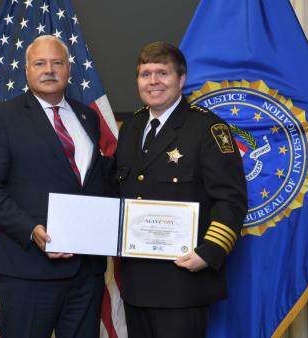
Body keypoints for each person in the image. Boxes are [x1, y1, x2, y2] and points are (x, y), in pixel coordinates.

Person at [0, 35, 107, 338]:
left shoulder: (87, 117)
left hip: (86, 274)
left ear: (69, 70)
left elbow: (93, 183)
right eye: (40, 63)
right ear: (27, 70)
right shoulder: (2, 118)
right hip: (28, 271)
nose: (49, 70)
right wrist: (32, 229)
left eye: (57, 62)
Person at [114, 41, 248, 338]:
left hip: (183, 278)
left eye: (162, 73)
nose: (153, 82)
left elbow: (231, 198)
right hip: (137, 281)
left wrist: (210, 250)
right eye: (145, 74)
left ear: (181, 79)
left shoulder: (207, 129)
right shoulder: (132, 128)